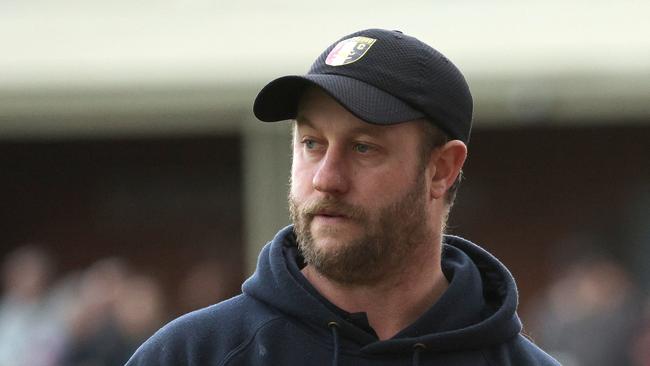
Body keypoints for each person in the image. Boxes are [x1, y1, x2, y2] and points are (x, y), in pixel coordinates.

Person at [127, 28, 559, 365]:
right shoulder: (191, 355)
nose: (326, 179)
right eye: (311, 143)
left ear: (441, 170)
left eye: (363, 147)